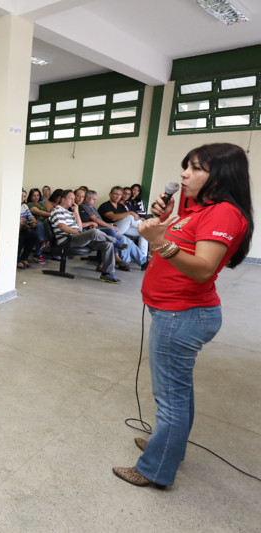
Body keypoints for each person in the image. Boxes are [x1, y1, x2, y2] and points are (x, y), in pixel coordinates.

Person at [113, 143, 253, 488]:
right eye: (185, 166)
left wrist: (160, 243)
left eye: (195, 168)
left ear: (219, 177)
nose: (184, 174)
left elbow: (203, 269)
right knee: (178, 392)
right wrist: (164, 218)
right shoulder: (196, 208)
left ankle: (154, 469)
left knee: (170, 399)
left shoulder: (223, 213)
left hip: (183, 315)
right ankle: (169, 448)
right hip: (175, 311)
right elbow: (179, 240)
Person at [50, 190, 126, 284]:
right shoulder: (57, 210)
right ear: (63, 199)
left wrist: (77, 212)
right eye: (71, 199)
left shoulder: (69, 212)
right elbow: (62, 227)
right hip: (68, 240)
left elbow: (80, 227)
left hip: (77, 237)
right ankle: (115, 241)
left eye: (74, 199)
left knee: (107, 244)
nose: (73, 201)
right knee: (94, 231)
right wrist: (78, 232)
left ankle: (107, 273)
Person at [80, 191, 146, 270]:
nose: (95, 201)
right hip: (103, 229)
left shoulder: (93, 207)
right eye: (94, 199)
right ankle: (126, 261)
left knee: (132, 236)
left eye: (120, 194)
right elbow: (98, 219)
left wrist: (110, 225)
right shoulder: (98, 206)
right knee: (125, 232)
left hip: (108, 227)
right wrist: (109, 225)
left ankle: (141, 261)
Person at [98, 186, 148, 255]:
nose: (118, 196)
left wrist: (137, 216)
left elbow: (125, 220)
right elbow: (113, 218)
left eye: (120, 194)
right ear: (110, 194)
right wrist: (130, 212)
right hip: (110, 228)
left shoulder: (121, 206)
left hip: (121, 229)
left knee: (145, 232)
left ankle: (143, 256)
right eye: (116, 194)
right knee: (130, 217)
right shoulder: (105, 205)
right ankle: (147, 226)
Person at [18, 190, 43, 266]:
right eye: (21, 195)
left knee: (33, 236)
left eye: (24, 196)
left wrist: (34, 222)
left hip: (24, 227)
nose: (22, 198)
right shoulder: (12, 205)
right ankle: (17, 260)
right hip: (16, 228)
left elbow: (31, 216)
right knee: (20, 239)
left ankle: (24, 258)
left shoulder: (25, 206)